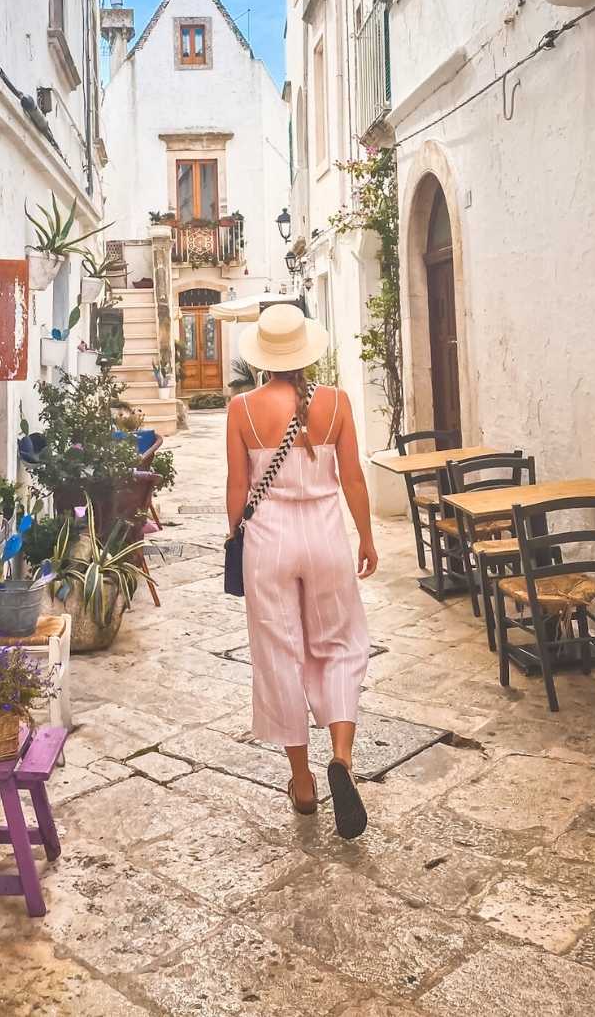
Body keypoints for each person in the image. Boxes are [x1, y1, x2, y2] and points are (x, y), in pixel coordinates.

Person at [225, 303, 378, 839]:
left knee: (278, 652)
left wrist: (234, 537)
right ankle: (341, 755)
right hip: (326, 539)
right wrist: (367, 535)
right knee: (339, 644)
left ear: (263, 358)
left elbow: (236, 488)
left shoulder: (242, 409)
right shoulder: (335, 403)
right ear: (306, 351)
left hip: (268, 542)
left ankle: (303, 781)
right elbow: (354, 478)